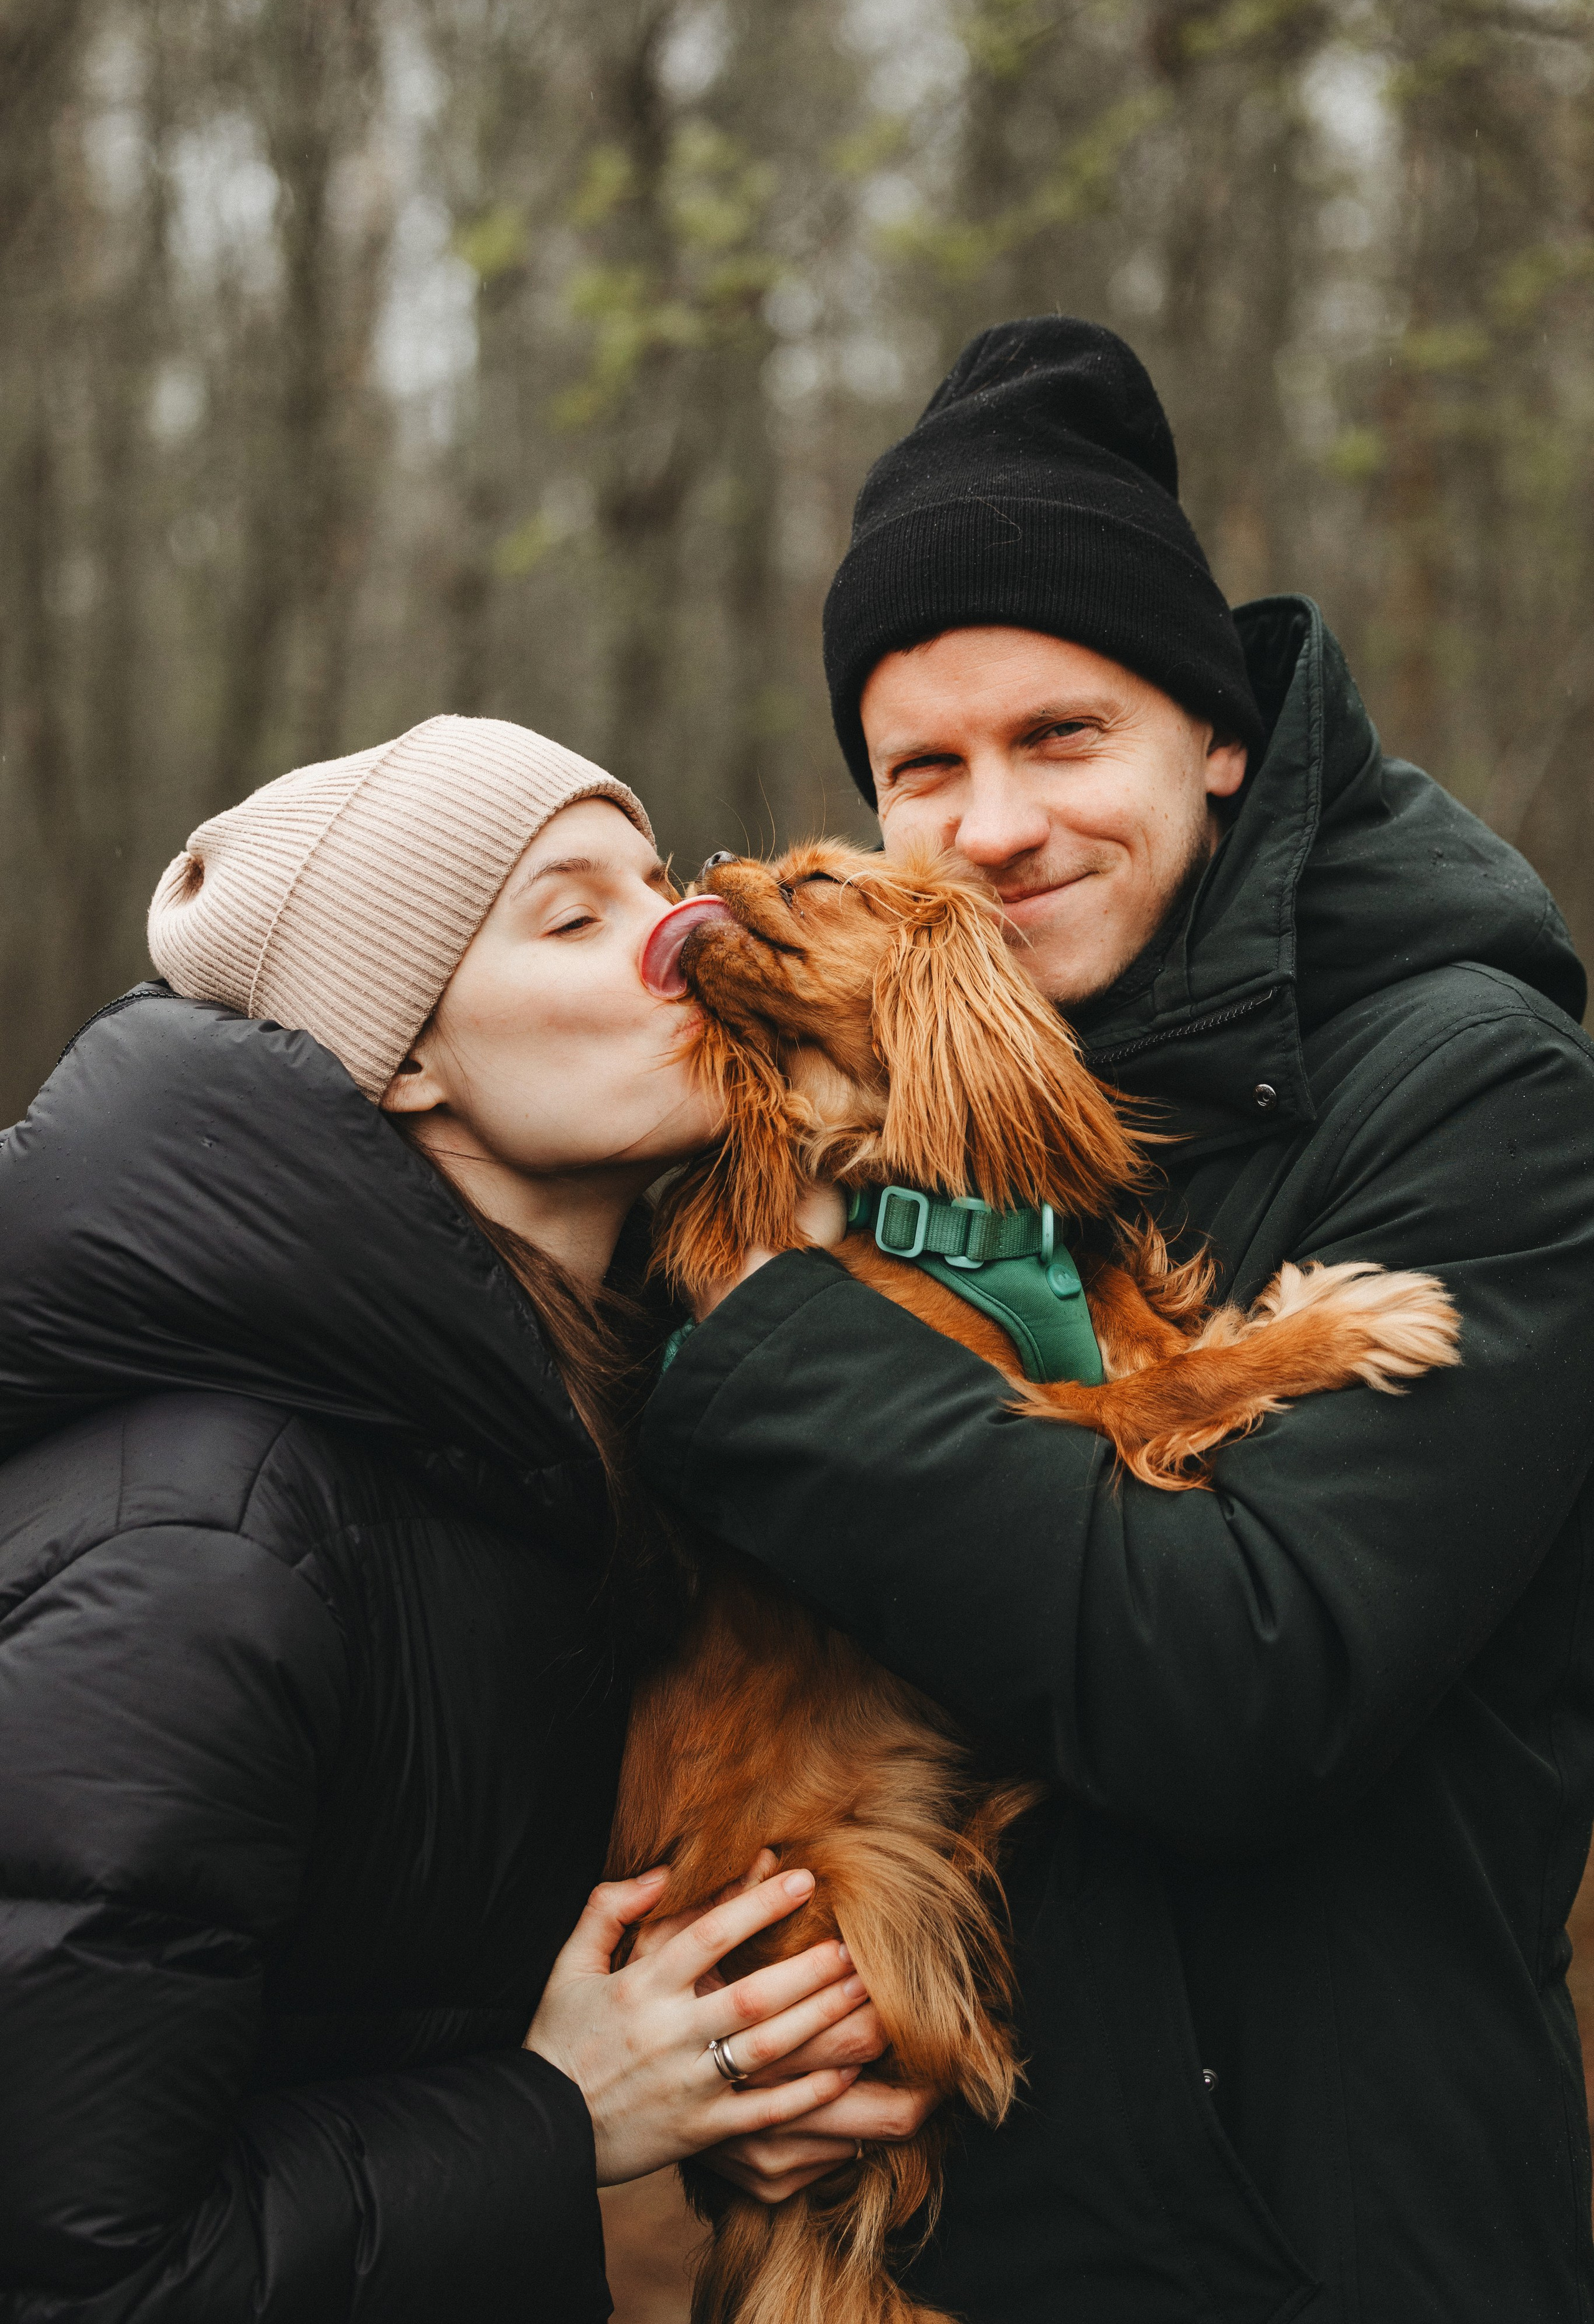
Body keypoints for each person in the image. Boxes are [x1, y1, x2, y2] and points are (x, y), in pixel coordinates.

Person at [638, 318, 1594, 2319]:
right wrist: (713, 2057)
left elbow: (1250, 1682)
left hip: (1328, 2260)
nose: (992, 829)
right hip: (946, 2244)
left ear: (1217, 737)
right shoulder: (855, 1125)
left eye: (1061, 738)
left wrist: (786, 1347)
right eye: (926, 768)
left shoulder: (1475, 1094)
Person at [0, 714, 912, 2322]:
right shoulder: (206, 1548)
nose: (694, 937)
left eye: (661, 876)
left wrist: (710, 2097)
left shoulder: (557, 1458)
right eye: (576, 915)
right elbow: (84, 2272)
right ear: (400, 1055)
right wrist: (560, 2121)